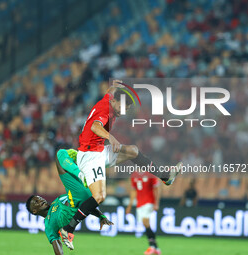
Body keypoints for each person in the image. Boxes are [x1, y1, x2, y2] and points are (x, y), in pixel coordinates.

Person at [60, 80, 182, 249]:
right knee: (99, 197)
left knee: (132, 151)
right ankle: (67, 229)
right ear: (114, 102)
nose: (124, 110)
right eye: (123, 106)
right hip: (90, 155)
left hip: (99, 151)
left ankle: (165, 177)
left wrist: (115, 86)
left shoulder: (108, 99)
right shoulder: (107, 110)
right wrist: (111, 137)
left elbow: (110, 91)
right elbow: (96, 126)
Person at [26, 149, 113, 254]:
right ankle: (80, 163)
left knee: (63, 157)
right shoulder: (48, 224)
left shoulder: (56, 201)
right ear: (34, 211)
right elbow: (56, 243)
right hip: (77, 199)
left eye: (39, 198)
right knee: (60, 155)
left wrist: (101, 216)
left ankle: (81, 161)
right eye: (36, 202)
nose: (41, 200)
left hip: (85, 194)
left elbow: (85, 206)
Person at [126, 172, 161, 255]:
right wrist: (130, 205)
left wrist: (156, 203)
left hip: (149, 202)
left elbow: (156, 188)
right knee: (145, 223)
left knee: (145, 221)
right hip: (139, 203)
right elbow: (134, 191)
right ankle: (156, 247)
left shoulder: (150, 174)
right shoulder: (134, 175)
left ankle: (152, 246)